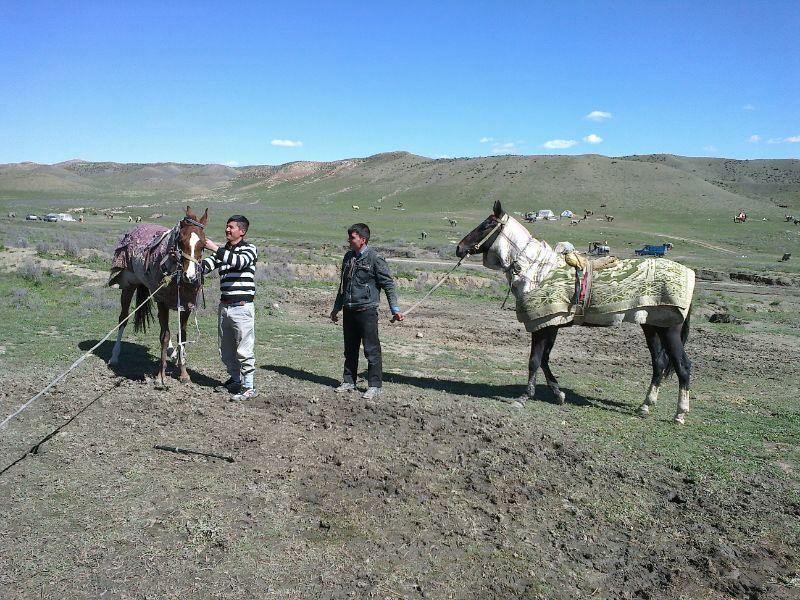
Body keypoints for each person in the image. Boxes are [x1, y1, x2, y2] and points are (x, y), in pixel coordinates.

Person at [330, 223, 404, 399]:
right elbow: (343, 286)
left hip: (367, 310)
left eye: (352, 237)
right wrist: (336, 308)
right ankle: (348, 381)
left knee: (371, 349)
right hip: (349, 310)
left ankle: (375, 385)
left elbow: (388, 284)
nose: (349, 240)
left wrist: (395, 308)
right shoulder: (348, 257)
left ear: (363, 240)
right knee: (350, 349)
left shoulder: (375, 258)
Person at [202, 215, 259, 400]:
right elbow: (206, 266)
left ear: (242, 231)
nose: (227, 230)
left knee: (244, 349)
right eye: (226, 227)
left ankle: (249, 386)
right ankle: (235, 380)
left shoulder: (249, 249)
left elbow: (239, 262)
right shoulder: (224, 251)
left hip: (242, 307)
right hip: (224, 307)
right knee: (226, 349)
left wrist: (213, 247)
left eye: (231, 227)